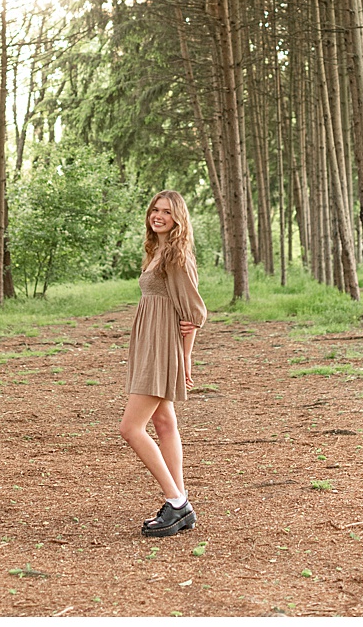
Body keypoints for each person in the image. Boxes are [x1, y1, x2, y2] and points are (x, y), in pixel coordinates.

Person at [120, 189, 209, 537]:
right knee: (164, 422)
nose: (158, 216)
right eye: (155, 210)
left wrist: (185, 358)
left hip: (162, 346)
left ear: (178, 219)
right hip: (150, 341)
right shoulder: (156, 251)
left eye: (167, 213)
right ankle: (181, 502)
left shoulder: (176, 256)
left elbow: (194, 313)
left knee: (130, 428)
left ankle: (175, 502)